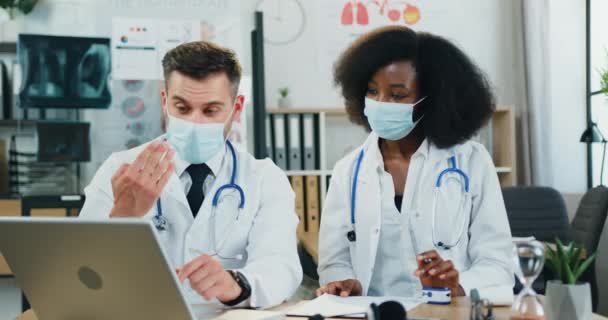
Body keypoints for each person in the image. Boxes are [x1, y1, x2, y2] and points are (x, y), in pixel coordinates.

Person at [79, 41, 302, 308]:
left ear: (237, 106)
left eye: (211, 110)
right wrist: (123, 218)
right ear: (165, 101)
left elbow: (281, 266)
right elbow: (83, 272)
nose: (195, 123)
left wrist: (235, 284)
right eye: (182, 108)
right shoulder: (120, 169)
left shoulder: (263, 178)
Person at [316, 26, 513, 300]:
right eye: (372, 91)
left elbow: (498, 264)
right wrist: (346, 283)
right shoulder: (348, 171)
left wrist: (459, 285)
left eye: (397, 95)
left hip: (447, 315)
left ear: (429, 101)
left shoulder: (471, 162)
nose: (381, 103)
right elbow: (333, 261)